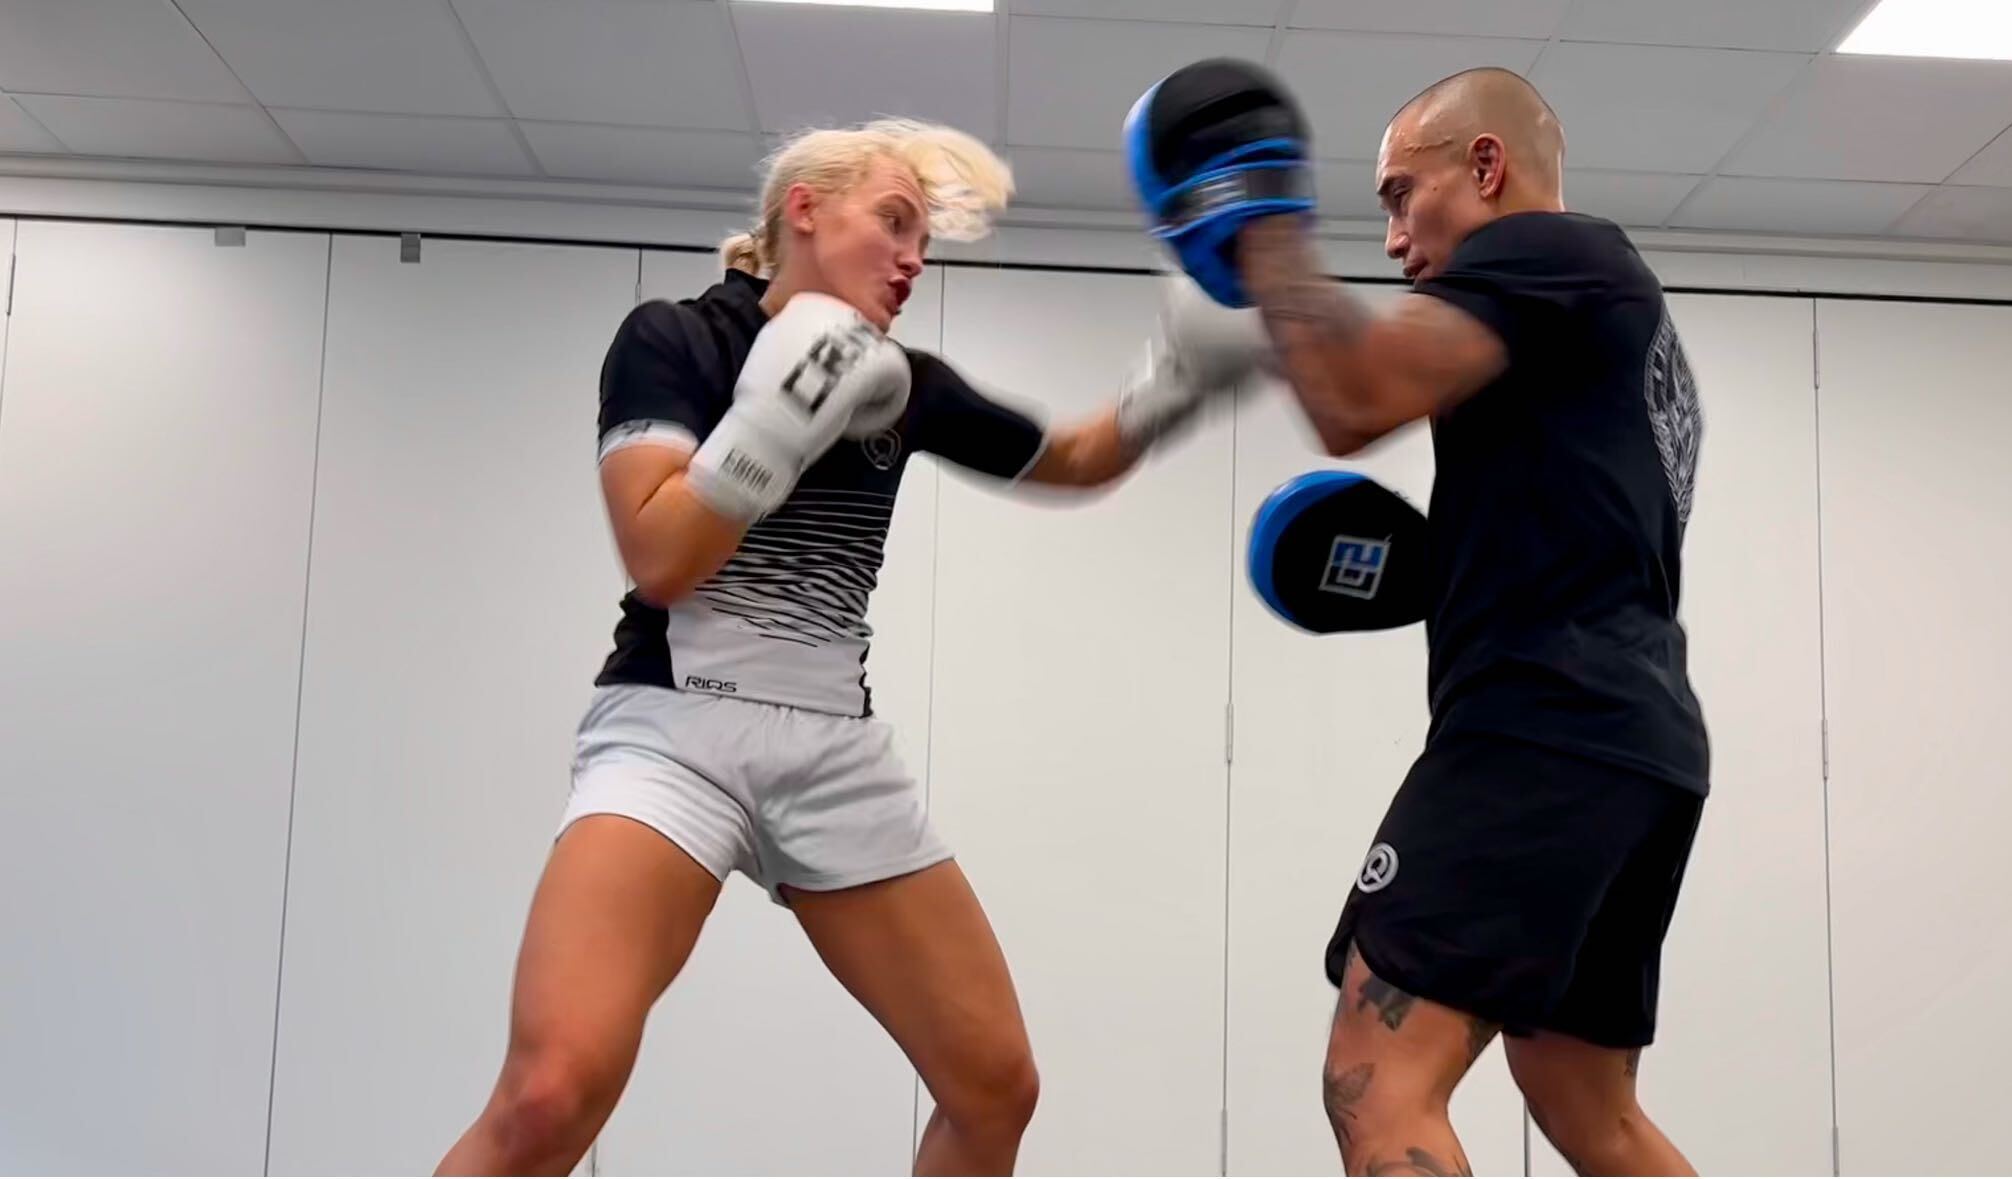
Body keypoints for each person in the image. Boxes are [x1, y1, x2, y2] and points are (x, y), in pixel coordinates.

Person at [435, 117, 1263, 1178]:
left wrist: (1174, 385)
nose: (914, 259)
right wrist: (776, 421)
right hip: (672, 734)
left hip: (832, 747)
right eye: (896, 222)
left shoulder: (901, 382)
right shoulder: (676, 339)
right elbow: (660, 559)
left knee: (994, 1087)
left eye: (925, 240)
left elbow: (1071, 458)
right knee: (550, 1094)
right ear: (805, 209)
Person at [1136, 62, 1710, 1175]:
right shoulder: (1617, 308)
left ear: (1485, 166)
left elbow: (1353, 396)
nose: (1396, 240)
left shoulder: (1549, 253)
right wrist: (1436, 573)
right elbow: (1580, 528)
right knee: (1589, 1108)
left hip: (1538, 732)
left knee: (1377, 1080)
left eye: (1402, 195)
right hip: (1640, 746)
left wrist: (1263, 225)